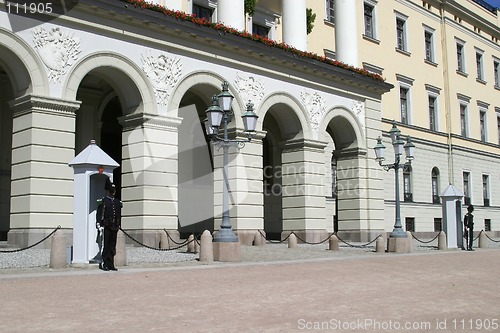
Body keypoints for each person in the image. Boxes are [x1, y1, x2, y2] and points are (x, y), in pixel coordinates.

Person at [99, 179, 121, 271]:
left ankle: (111, 263)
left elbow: (118, 214)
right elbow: (100, 213)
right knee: (106, 245)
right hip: (107, 226)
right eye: (112, 191)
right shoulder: (104, 201)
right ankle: (105, 263)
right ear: (108, 191)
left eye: (114, 191)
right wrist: (99, 224)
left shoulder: (117, 202)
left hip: (114, 226)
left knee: (112, 246)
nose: (113, 192)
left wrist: (118, 224)